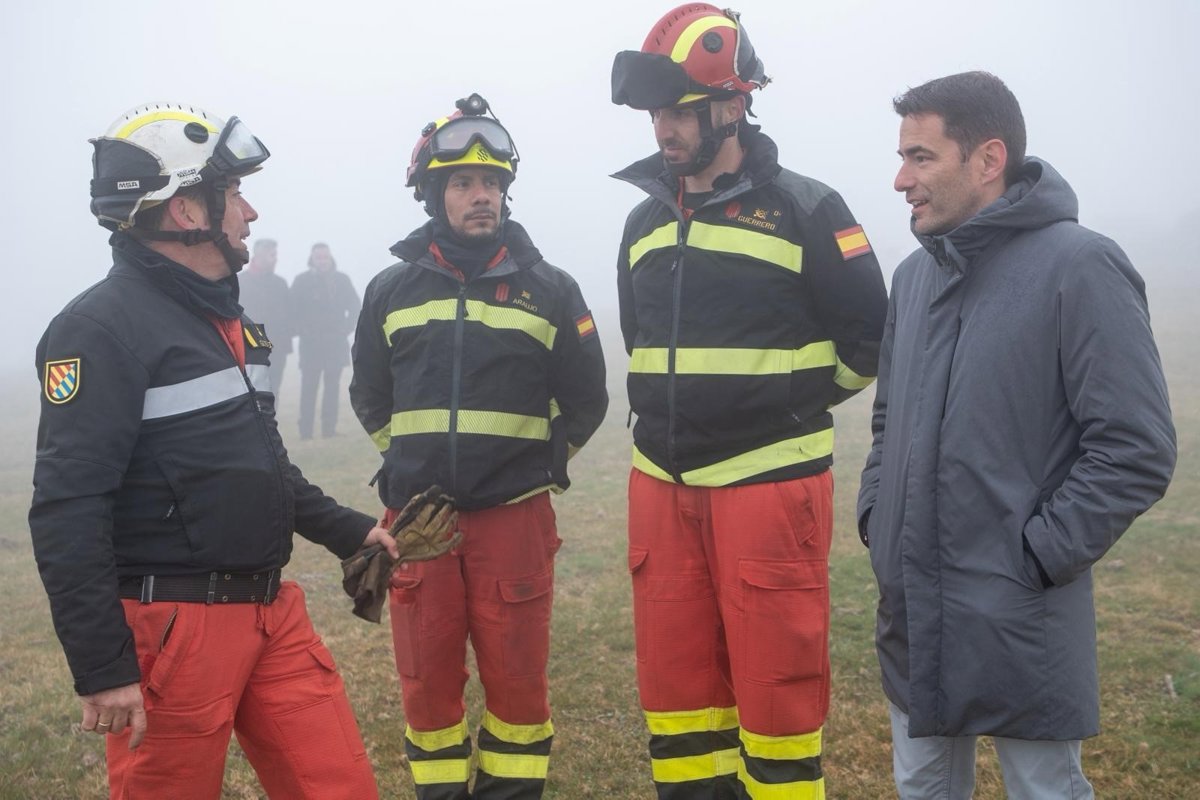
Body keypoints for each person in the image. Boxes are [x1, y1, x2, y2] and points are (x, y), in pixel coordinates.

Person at [29, 102, 400, 800]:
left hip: (273, 610)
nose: (250, 213)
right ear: (185, 209)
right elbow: (67, 507)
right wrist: (103, 665)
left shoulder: (232, 321)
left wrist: (349, 530)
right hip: (173, 629)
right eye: (233, 193)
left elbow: (264, 465)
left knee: (341, 787)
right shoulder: (98, 329)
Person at [857, 71, 1177, 799]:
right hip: (914, 611)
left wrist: (1035, 556)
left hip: (1023, 613)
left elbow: (1136, 445)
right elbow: (887, 419)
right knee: (923, 790)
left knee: (1044, 791)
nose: (901, 180)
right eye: (902, 158)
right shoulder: (912, 279)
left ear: (989, 159)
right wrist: (879, 516)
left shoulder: (1081, 264)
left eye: (921, 157)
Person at [610, 6, 888, 799]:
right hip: (660, 485)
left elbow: (870, 336)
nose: (662, 128)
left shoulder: (809, 209)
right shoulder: (641, 223)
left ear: (733, 105)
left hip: (768, 484)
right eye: (655, 113)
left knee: (777, 702)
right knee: (678, 704)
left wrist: (789, 406)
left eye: (679, 111)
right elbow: (639, 339)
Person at [349, 92, 608, 800]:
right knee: (427, 686)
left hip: (514, 520)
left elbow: (586, 400)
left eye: (492, 182)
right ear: (433, 195)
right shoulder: (389, 291)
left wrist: (536, 467)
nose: (482, 195)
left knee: (518, 687)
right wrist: (405, 462)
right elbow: (370, 393)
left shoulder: (552, 291)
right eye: (463, 183)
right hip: (419, 525)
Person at [292, 241, 359, 439]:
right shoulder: (301, 281)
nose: (322, 261)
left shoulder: (342, 280)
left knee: (332, 388)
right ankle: (305, 432)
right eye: (318, 257)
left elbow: (355, 306)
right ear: (312, 259)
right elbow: (292, 310)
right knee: (309, 388)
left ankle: (329, 430)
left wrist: (346, 329)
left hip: (335, 344)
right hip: (310, 345)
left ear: (330, 258)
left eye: (325, 257)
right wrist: (302, 330)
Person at [238, 238, 294, 398]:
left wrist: (287, 335)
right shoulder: (241, 282)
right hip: (248, 347)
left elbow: (289, 313)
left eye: (275, 255)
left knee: (273, 390)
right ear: (259, 255)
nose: (275, 259)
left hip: (277, 347)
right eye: (271, 255)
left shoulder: (280, 283)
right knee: (249, 391)